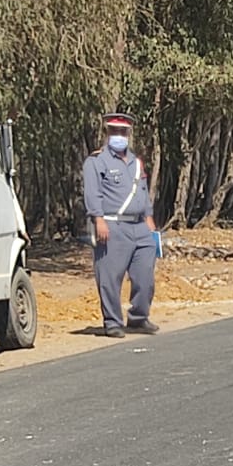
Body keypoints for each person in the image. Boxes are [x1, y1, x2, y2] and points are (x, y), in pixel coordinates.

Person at [82, 121, 159, 338]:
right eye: (115, 131)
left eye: (123, 131)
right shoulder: (96, 161)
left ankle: (139, 318)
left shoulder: (136, 162)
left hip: (140, 225)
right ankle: (112, 322)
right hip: (112, 225)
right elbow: (93, 192)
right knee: (110, 278)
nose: (119, 135)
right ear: (107, 133)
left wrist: (149, 218)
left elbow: (142, 191)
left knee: (145, 276)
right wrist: (98, 219)